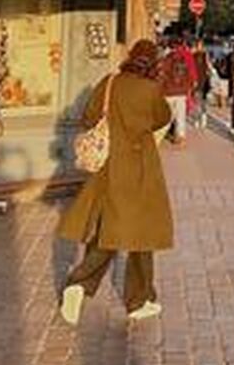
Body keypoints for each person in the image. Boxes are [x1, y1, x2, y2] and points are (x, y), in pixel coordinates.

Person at [57, 40, 173, 324]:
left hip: (109, 168)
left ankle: (80, 286)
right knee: (141, 235)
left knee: (108, 232)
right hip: (140, 169)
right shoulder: (151, 90)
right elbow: (163, 119)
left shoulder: (109, 82)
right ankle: (138, 299)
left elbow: (88, 117)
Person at [157, 30, 197, 145]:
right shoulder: (186, 56)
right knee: (181, 115)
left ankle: (160, 135)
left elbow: (162, 75)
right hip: (182, 91)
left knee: (167, 115)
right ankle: (180, 136)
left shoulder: (166, 58)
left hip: (168, 91)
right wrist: (190, 87)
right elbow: (190, 73)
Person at [191, 38, 212, 130]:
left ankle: (203, 119)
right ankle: (196, 119)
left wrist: (209, 72)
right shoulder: (193, 54)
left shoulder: (205, 54)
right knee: (196, 101)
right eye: (197, 45)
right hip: (196, 80)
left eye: (200, 45)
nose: (199, 46)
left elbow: (208, 66)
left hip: (204, 80)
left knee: (203, 101)